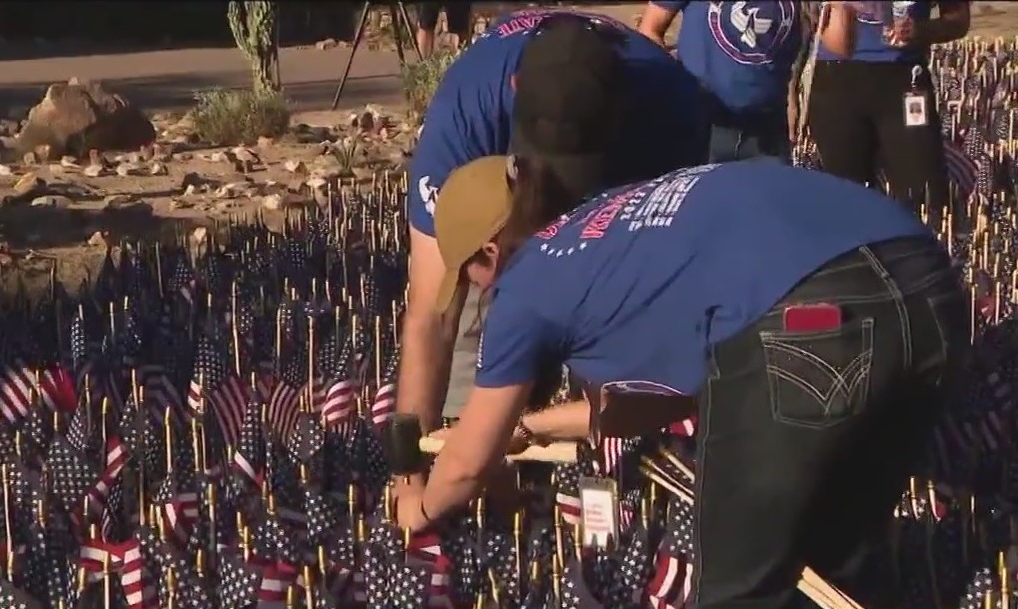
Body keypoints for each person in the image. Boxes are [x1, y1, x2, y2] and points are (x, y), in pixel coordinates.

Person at [397, 155, 969, 609]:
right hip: (926, 284)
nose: (476, 290)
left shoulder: (525, 286)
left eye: (469, 275)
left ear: (490, 252)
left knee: (738, 589)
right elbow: (647, 404)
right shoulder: (608, 225)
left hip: (812, 318)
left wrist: (416, 509)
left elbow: (467, 466)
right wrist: (528, 426)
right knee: (837, 562)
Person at [401, 8, 706, 450]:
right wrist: (412, 468)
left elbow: (663, 320)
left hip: (627, 176)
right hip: (499, 160)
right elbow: (431, 316)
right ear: (516, 89)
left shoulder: (671, 110)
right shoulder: (465, 110)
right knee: (469, 306)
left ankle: (596, 460)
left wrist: (552, 425)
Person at [638, 1, 857, 162]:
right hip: (703, 125)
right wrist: (676, 89)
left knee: (763, 217)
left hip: (767, 129)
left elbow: (840, 47)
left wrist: (841, 8)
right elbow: (649, 30)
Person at [808, 1, 970, 213]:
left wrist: (918, 31)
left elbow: (958, 20)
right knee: (843, 200)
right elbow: (804, 20)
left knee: (923, 197)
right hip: (835, 81)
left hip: (904, 80)